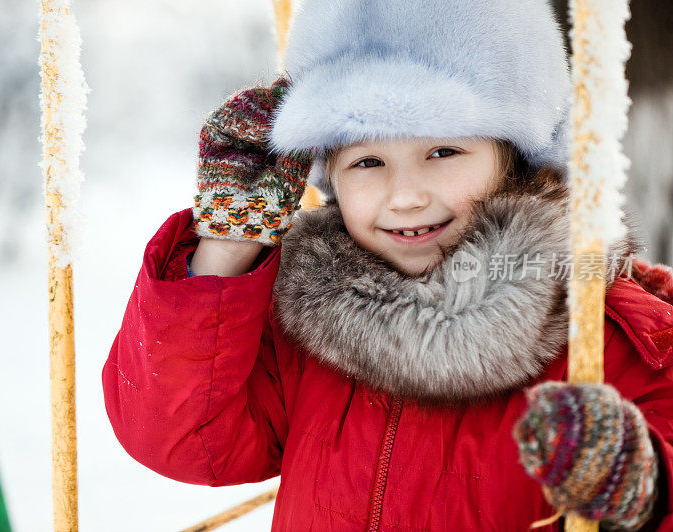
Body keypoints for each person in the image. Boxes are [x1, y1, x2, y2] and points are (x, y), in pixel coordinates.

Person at [102, 0, 673, 529]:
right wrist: (227, 244)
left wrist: (645, 489)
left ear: (518, 157)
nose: (405, 197)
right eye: (368, 161)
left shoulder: (611, 338)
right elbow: (180, 437)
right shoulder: (306, 329)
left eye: (443, 151)